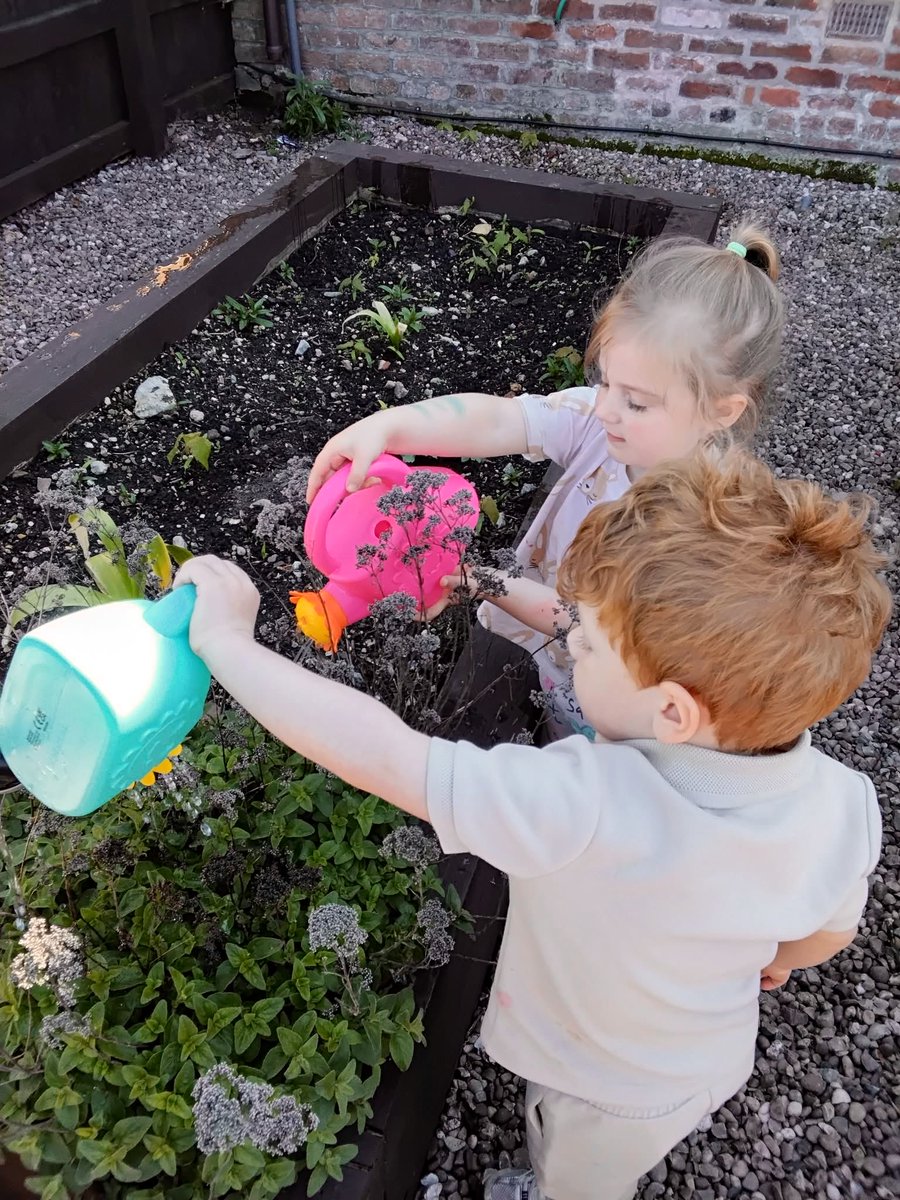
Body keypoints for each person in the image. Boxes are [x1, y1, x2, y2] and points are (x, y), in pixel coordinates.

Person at [175, 448, 890, 1200]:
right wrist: (778, 956)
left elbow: (386, 756)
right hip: (704, 1053)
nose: (567, 645)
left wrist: (227, 645)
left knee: (572, 1171)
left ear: (672, 712)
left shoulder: (585, 802)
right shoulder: (845, 801)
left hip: (601, 1089)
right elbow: (827, 932)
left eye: (583, 647)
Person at [305, 225, 784, 738]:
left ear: (722, 411)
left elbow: (591, 631)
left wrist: (480, 582)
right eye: (605, 382)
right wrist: (387, 426)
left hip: (610, 700)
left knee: (572, 750)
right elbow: (495, 420)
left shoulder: (706, 535)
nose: (606, 408)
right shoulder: (598, 424)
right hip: (542, 646)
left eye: (636, 401)